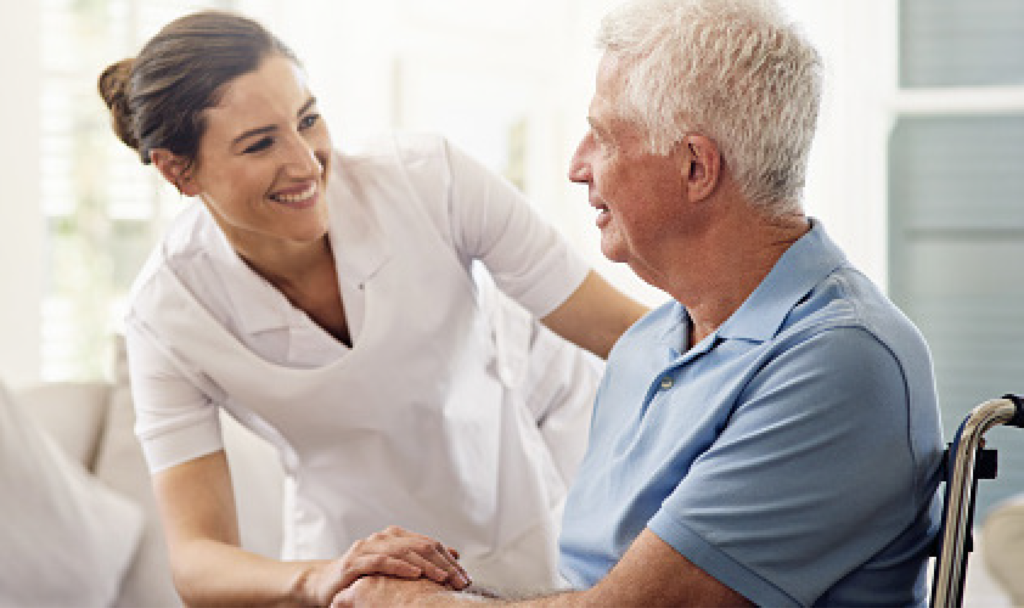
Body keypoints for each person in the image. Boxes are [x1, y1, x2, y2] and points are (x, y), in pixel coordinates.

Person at [335, 0, 945, 606]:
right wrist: (431, 589)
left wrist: (411, 604)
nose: (577, 166)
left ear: (695, 166)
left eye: (602, 136)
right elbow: (596, 589)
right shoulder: (645, 346)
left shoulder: (843, 361)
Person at [97, 9, 649, 607]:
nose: (307, 162)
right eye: (260, 143)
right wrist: (320, 576)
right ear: (179, 171)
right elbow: (197, 560)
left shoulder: (427, 180)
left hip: (518, 518)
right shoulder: (167, 313)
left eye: (308, 120)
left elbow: (630, 337)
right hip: (355, 574)